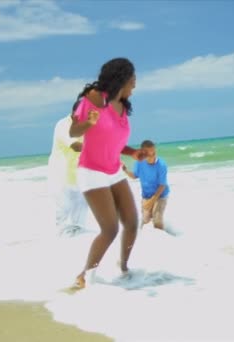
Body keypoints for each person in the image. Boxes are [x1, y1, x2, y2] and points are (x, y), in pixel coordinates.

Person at [69, 58, 144, 289]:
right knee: (110, 229)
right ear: (121, 79)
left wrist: (133, 152)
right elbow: (74, 132)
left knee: (132, 222)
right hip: (92, 172)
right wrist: (88, 123)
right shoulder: (94, 98)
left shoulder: (122, 106)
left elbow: (112, 142)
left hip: (113, 170)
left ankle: (123, 269)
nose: (134, 86)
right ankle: (84, 276)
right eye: (132, 81)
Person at [47, 105, 89, 237]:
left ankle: (78, 238)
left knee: (80, 212)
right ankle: (59, 242)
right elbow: (76, 146)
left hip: (78, 174)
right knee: (63, 213)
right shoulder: (63, 125)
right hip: (60, 174)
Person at [122, 140, 170, 230]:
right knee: (145, 221)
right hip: (146, 195)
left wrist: (152, 200)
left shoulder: (161, 165)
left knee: (157, 220)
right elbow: (135, 176)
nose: (152, 155)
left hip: (161, 195)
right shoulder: (139, 162)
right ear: (143, 152)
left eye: (154, 152)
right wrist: (125, 170)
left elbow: (162, 185)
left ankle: (164, 237)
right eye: (149, 153)